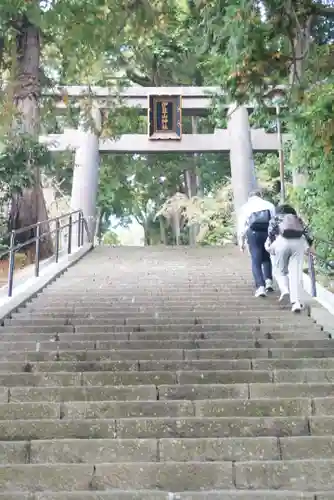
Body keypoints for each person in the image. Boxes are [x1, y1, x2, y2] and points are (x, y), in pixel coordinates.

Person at [265, 203, 313, 313]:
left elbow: (271, 234)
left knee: (278, 270)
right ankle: (296, 303)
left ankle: (285, 289)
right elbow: (308, 234)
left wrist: (272, 248)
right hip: (299, 243)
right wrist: (309, 248)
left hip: (281, 242)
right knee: (295, 273)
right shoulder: (297, 219)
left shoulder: (275, 218)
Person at [238, 189, 276, 298]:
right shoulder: (269, 205)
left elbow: (242, 226)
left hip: (253, 234)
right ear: (261, 196)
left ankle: (261, 287)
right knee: (266, 257)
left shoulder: (246, 207)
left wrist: (241, 242)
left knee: (256, 260)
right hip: (267, 233)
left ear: (250, 197)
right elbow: (274, 221)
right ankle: (268, 281)